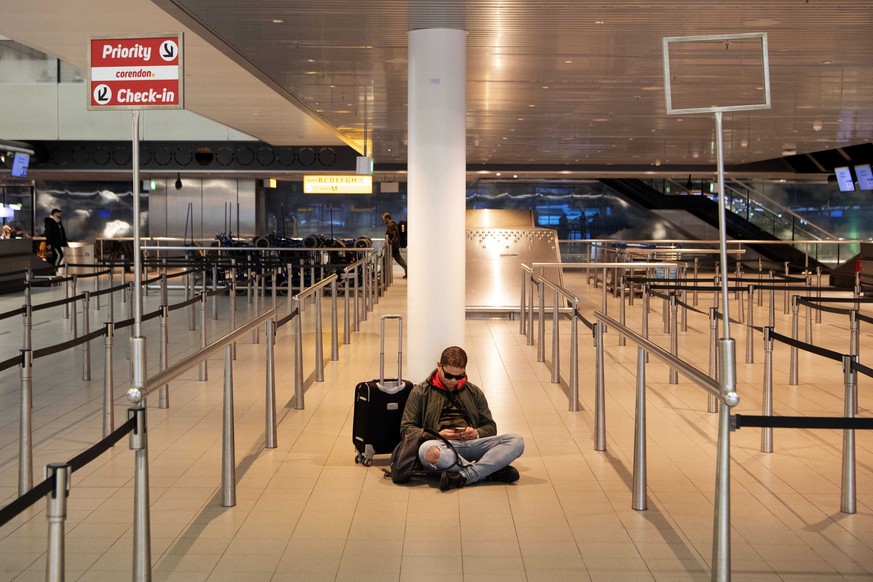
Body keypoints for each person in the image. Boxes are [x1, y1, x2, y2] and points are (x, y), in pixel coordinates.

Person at [400, 346, 524, 491]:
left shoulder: (474, 392)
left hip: (472, 444)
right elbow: (406, 429)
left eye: (459, 376)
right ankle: (488, 471)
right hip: (441, 446)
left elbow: (490, 427)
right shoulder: (420, 392)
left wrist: (476, 433)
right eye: (448, 376)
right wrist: (437, 435)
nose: (453, 381)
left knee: (516, 441)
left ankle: (465, 475)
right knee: (428, 452)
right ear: (439, 366)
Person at [381, 212, 407, 278]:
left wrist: (388, 243)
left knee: (385, 259)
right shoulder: (394, 223)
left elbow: (391, 236)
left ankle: (383, 274)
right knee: (398, 259)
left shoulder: (390, 225)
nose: (383, 220)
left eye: (384, 219)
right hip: (395, 245)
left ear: (387, 218)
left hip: (392, 246)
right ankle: (407, 270)